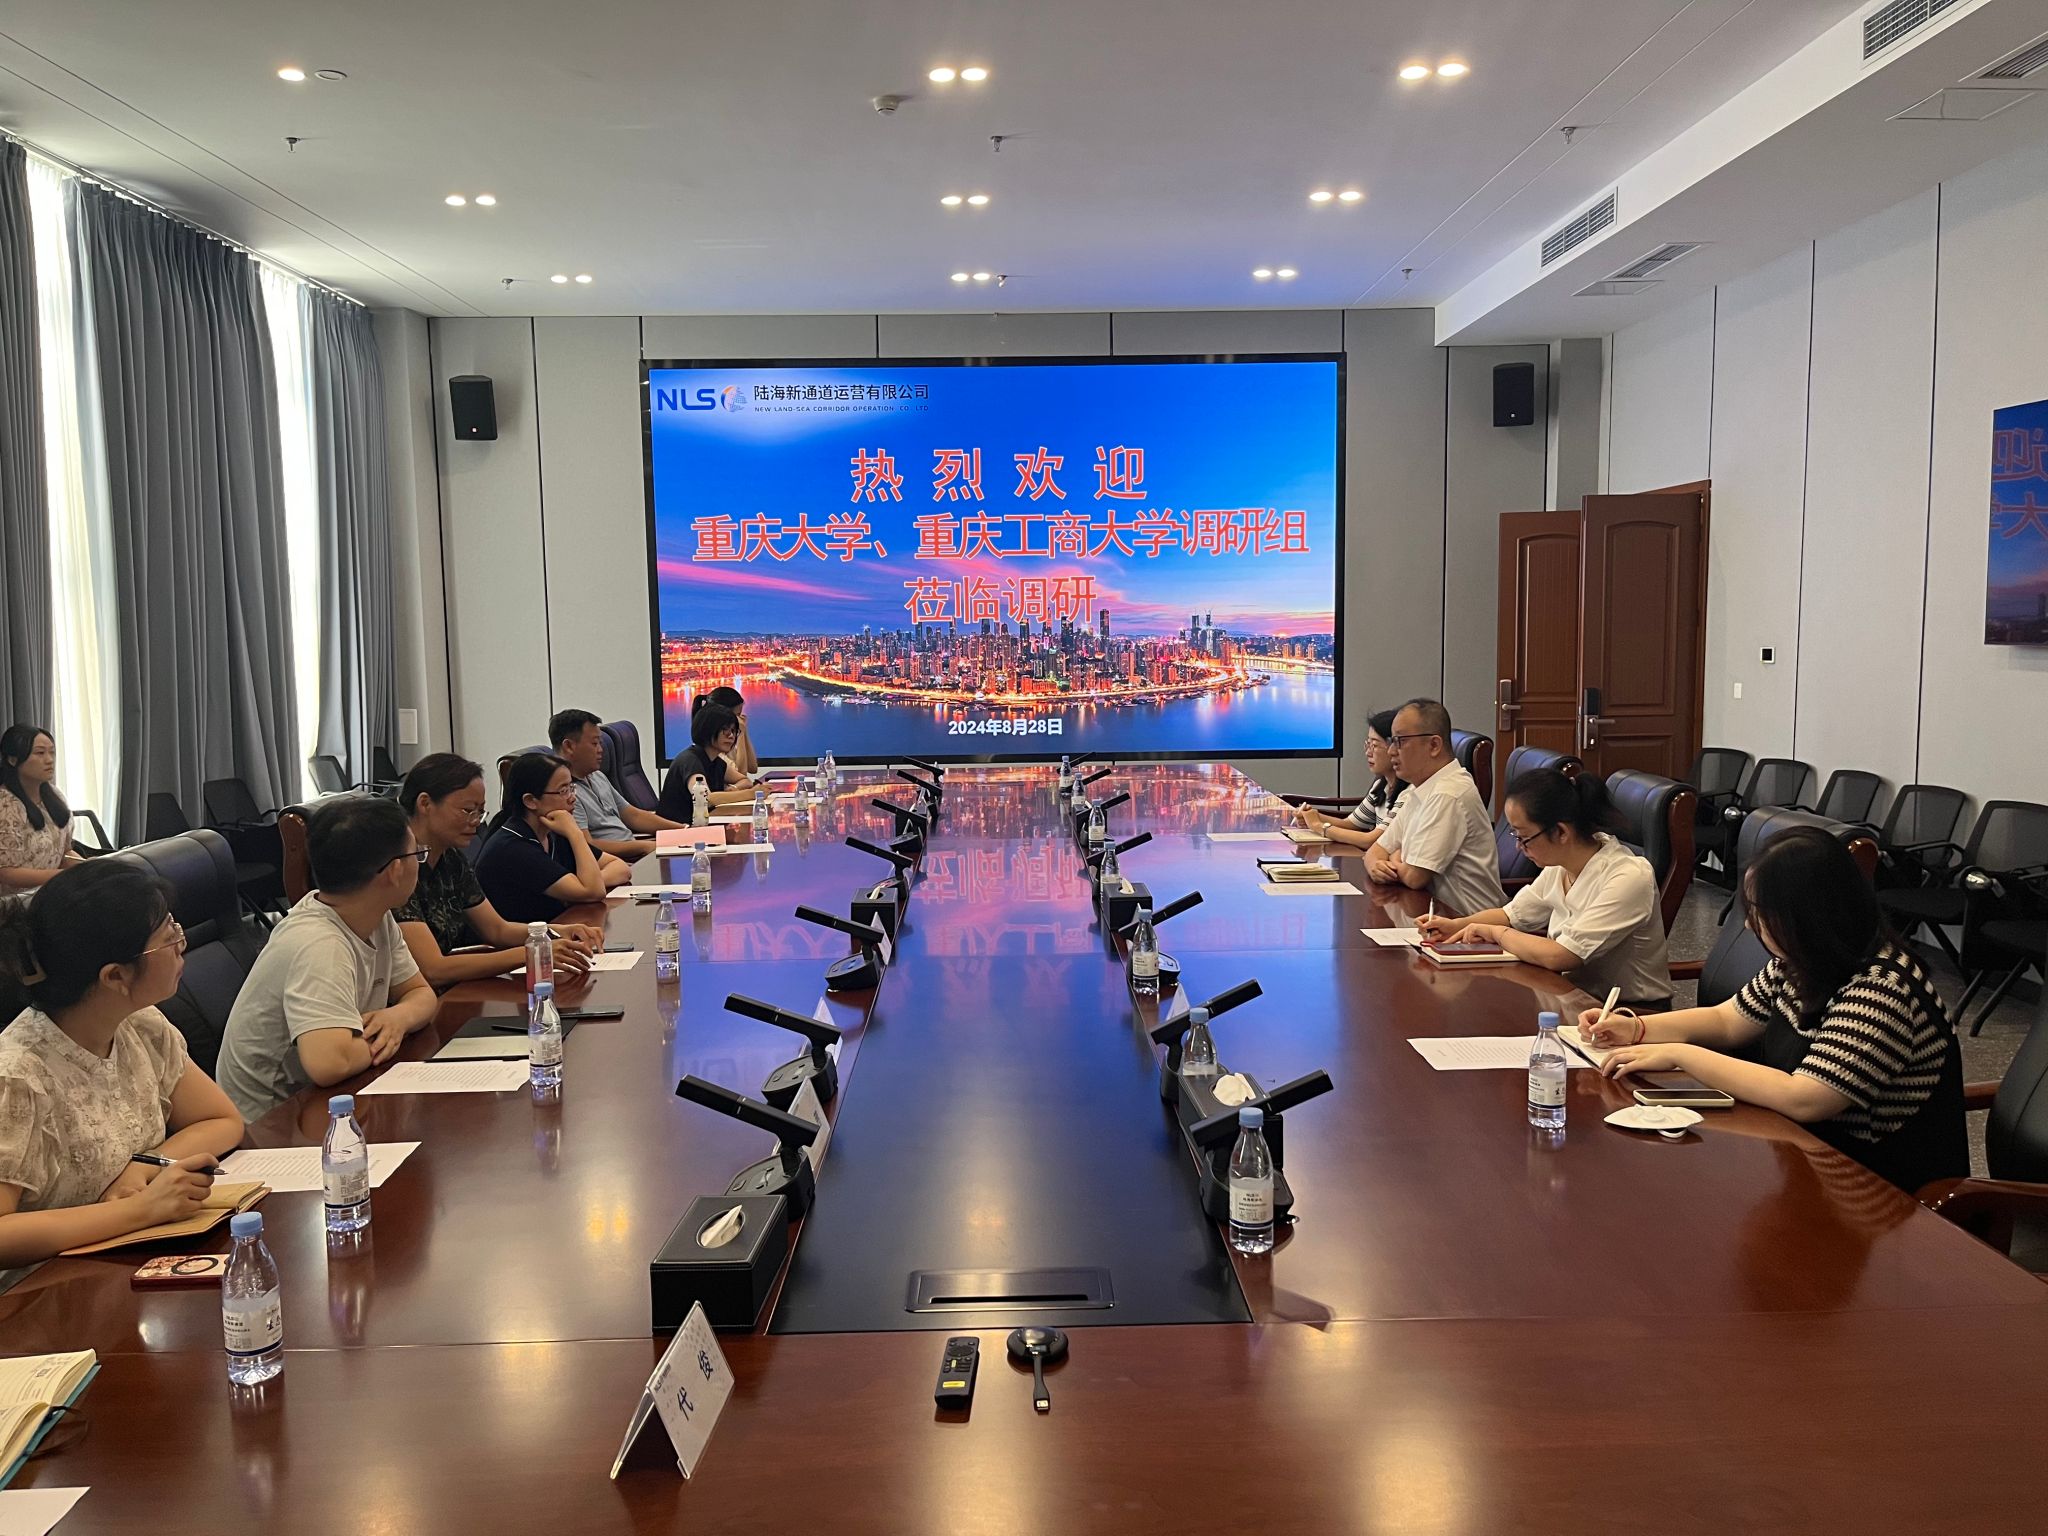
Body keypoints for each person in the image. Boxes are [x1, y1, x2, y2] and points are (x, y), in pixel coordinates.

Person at [1584, 827, 1966, 1192]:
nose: (1750, 927)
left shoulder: (1882, 989)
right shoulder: (1804, 960)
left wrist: (1681, 1055)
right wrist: (1636, 1029)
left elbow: (1804, 1098)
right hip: (1807, 1156)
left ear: (1808, 916)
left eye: (1760, 913)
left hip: (1879, 1188)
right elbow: (1727, 1020)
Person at [0, 861, 244, 1265]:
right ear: (115, 976)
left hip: (128, 1261)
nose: (182, 945)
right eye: (168, 937)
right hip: (47, 1287)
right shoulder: (18, 1076)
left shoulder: (140, 1024)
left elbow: (222, 1120)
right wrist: (141, 1209)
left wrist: (143, 1167)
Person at [216, 796, 440, 1123]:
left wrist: (399, 1018)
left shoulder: (373, 914)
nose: (419, 862)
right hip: (272, 1124)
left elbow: (420, 993)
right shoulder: (319, 943)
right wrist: (390, 1032)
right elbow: (330, 1062)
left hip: (331, 1100)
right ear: (394, 870)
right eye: (416, 853)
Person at [1417, 768, 1671, 1008]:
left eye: (1524, 837)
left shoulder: (1628, 876)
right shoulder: (1561, 866)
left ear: (1561, 832)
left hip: (1627, 1013)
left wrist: (1496, 934)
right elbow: (1510, 915)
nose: (1518, 847)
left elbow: (1562, 955)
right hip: (1569, 996)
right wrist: (1458, 925)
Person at [396, 753, 604, 987]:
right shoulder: (398, 867)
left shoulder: (450, 859)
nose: (476, 821)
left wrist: (555, 932)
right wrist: (535, 951)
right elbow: (434, 969)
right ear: (425, 804)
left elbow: (497, 930)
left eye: (480, 811)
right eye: (467, 810)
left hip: (458, 989)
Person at [1362, 699, 1505, 916]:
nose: (1391, 751)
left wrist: (1393, 859)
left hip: (1468, 925)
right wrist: (1379, 863)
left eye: (1400, 741)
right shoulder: (1417, 789)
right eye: (1391, 741)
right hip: (1430, 916)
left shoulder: (1448, 794)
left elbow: (1415, 877)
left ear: (1434, 745)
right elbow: (1375, 851)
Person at [473, 752, 630, 925]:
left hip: (557, 929)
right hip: (523, 940)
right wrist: (575, 834)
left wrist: (586, 884)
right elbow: (593, 892)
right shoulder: (514, 847)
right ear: (531, 801)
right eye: (563, 791)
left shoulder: (552, 832)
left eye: (571, 788)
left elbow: (620, 868)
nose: (573, 798)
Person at [547, 709, 687, 862]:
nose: (601, 750)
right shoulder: (565, 794)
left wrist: (682, 830)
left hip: (635, 852)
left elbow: (633, 816)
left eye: (600, 743)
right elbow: (587, 845)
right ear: (569, 746)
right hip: (614, 861)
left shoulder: (597, 776)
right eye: (594, 744)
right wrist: (644, 847)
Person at [1292, 709, 1408, 851]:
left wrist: (1319, 826)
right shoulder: (1381, 785)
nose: (1368, 752)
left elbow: (1371, 840)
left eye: (1375, 745)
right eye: (1368, 744)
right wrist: (1312, 816)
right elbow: (1351, 824)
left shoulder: (1408, 792)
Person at [0, 725, 83, 894]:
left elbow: (64, 853)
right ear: (13, 760)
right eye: (40, 753)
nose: (49, 760)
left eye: (52, 752)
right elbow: (5, 872)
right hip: (15, 902)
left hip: (50, 892)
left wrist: (89, 867)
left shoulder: (54, 795)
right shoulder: (6, 804)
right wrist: (65, 876)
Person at [657, 701, 756, 821]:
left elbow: (745, 781)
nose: (731, 736)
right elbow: (705, 798)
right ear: (708, 730)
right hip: (679, 828)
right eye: (725, 730)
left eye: (734, 731)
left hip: (703, 824)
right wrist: (751, 794)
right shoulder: (690, 760)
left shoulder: (715, 760)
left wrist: (734, 788)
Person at [700, 686, 761, 781]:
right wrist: (740, 733)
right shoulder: (713, 746)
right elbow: (741, 775)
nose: (739, 719)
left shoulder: (730, 738)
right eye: (737, 716)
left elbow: (753, 768)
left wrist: (744, 731)